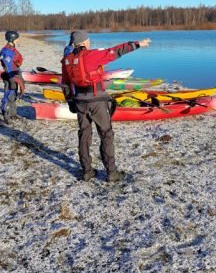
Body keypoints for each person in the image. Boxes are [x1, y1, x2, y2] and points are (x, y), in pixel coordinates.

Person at [61, 31, 150, 182]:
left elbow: (65, 83)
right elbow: (116, 51)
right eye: (88, 40)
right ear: (84, 42)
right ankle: (111, 172)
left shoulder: (67, 60)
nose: (90, 42)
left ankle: (87, 171)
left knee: (84, 134)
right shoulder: (92, 55)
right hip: (97, 101)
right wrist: (137, 44)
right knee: (106, 134)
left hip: (80, 102)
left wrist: (70, 101)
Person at [0, 31, 25, 124]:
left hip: (15, 73)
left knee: (14, 94)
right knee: (8, 94)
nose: (18, 40)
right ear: (12, 39)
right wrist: (11, 79)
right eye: (17, 39)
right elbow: (7, 66)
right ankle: (6, 114)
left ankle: (13, 113)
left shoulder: (12, 48)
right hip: (9, 75)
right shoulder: (6, 51)